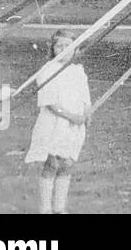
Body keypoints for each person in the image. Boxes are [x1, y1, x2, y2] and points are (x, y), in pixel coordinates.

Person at [25, 29, 91, 214]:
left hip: (75, 126)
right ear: (53, 48)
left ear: (75, 49)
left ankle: (60, 208)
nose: (63, 49)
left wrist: (86, 114)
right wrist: (71, 116)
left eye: (67, 45)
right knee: (52, 164)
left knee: (67, 163)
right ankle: (45, 208)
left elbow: (86, 98)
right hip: (54, 124)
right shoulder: (47, 70)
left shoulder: (78, 71)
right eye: (59, 45)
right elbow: (50, 103)